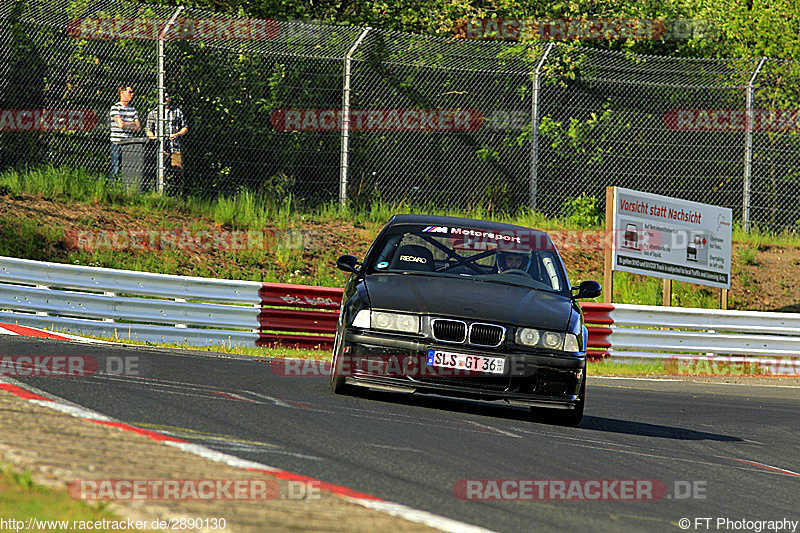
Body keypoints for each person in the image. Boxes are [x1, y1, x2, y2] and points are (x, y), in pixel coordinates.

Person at [145, 91, 188, 196]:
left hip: (175, 147)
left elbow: (185, 127)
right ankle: (158, 194)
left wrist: (177, 134)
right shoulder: (153, 113)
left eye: (167, 97)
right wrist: (154, 138)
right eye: (162, 97)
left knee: (177, 172)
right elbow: (148, 130)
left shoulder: (177, 112)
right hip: (160, 149)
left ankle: (178, 195)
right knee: (159, 172)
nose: (165, 99)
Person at [109, 85, 141, 179]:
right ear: (122, 93)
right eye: (130, 92)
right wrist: (132, 124)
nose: (132, 94)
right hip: (117, 142)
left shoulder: (133, 110)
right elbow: (120, 125)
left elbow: (138, 128)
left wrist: (125, 124)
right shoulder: (115, 108)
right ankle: (112, 186)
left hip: (129, 143)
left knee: (129, 169)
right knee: (115, 168)